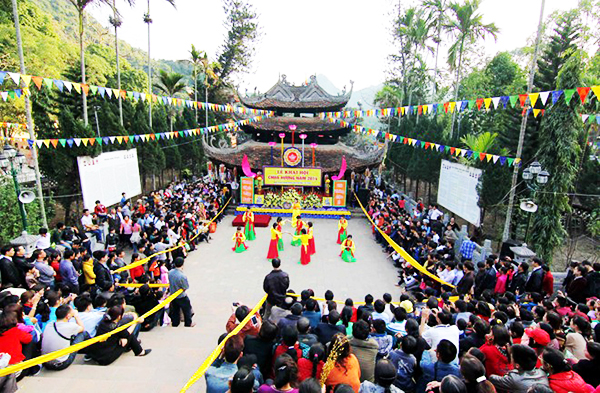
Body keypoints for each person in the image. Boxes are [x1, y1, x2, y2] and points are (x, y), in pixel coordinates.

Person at [41, 304, 88, 370]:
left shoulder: (50, 324)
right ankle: (90, 354)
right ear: (68, 316)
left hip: (45, 363)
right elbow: (82, 328)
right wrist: (76, 316)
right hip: (61, 364)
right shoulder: (70, 326)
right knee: (83, 334)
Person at [169, 257, 195, 327]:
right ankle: (188, 323)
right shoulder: (182, 276)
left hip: (173, 295)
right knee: (187, 309)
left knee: (175, 310)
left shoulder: (170, 272)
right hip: (181, 296)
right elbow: (185, 287)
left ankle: (175, 323)